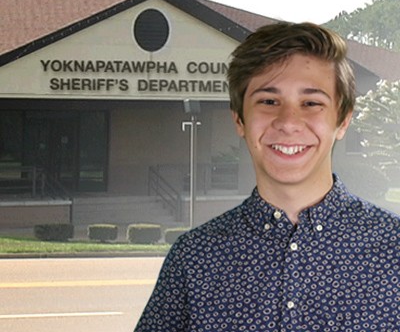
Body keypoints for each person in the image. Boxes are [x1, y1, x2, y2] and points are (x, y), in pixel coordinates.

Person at [134, 22, 400, 331]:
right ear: (239, 118)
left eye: (311, 103)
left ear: (342, 120)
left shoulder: (394, 249)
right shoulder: (194, 260)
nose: (288, 122)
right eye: (268, 101)